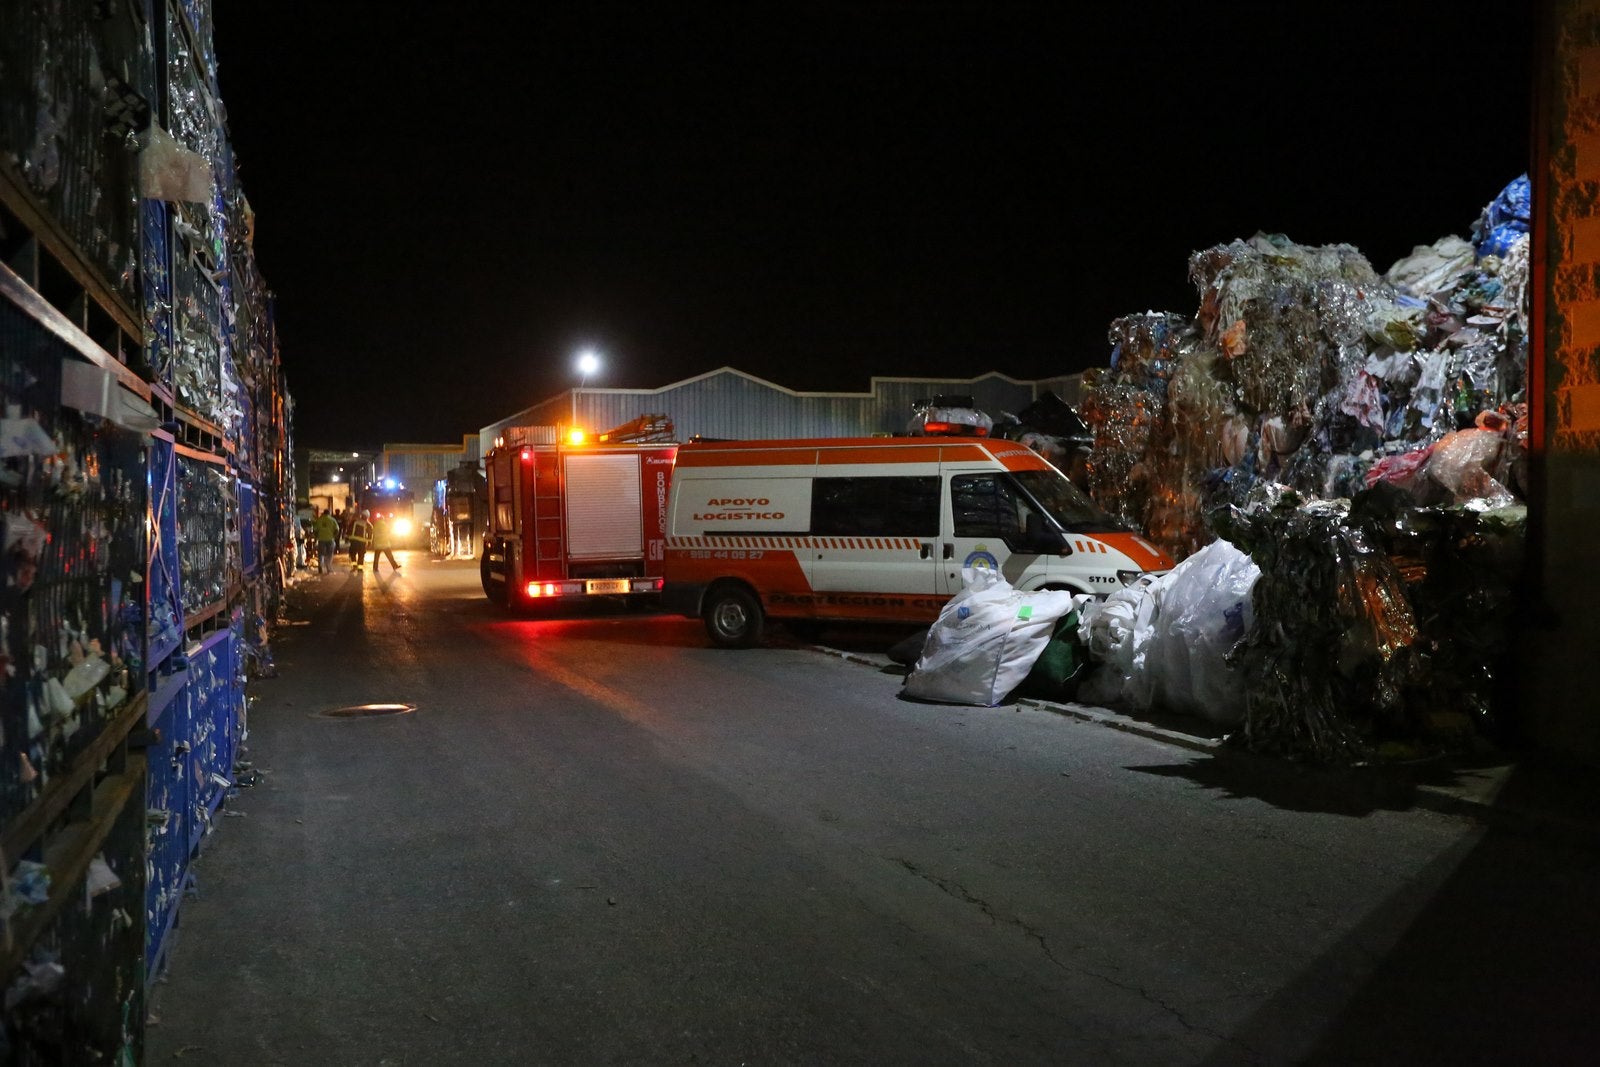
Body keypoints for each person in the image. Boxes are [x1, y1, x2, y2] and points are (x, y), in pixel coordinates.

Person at [312, 507, 339, 574]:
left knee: (321, 554)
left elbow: (315, 530)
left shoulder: (319, 520)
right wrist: (334, 536)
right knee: (329, 554)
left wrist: (316, 537)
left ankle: (320, 566)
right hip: (330, 539)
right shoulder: (332, 520)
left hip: (321, 539)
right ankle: (328, 568)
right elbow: (337, 529)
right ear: (329, 513)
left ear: (323, 513)